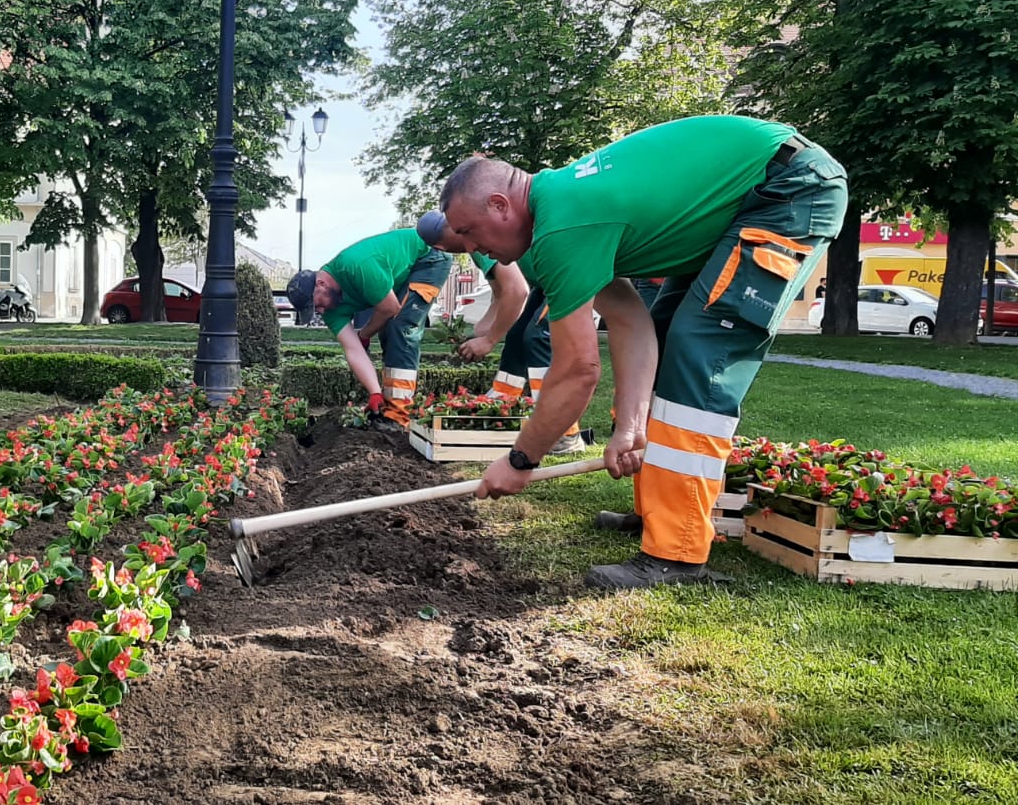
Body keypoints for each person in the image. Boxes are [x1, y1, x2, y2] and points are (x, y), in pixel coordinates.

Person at [439, 115, 847, 589]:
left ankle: (677, 553)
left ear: (499, 205)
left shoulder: (563, 227)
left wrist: (520, 462)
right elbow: (630, 323)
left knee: (700, 349)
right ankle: (658, 510)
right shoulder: (553, 218)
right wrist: (630, 427)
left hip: (787, 189)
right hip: (744, 198)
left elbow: (577, 370)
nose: (469, 247)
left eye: (468, 232)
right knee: (669, 330)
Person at [415, 213, 587, 452]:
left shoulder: (474, 241)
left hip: (567, 273)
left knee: (537, 339)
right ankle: (504, 401)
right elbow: (501, 294)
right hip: (547, 278)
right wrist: (485, 331)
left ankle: (563, 433)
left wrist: (489, 339)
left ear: (440, 245)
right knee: (517, 337)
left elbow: (516, 291)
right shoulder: (475, 236)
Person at [284, 228, 455, 428]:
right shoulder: (330, 309)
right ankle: (388, 407)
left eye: (317, 305)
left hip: (429, 256)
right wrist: (374, 392)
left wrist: (365, 333)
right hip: (400, 275)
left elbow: (391, 307)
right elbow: (353, 348)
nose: (320, 311)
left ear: (321, 283)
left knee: (400, 326)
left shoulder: (357, 267)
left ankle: (399, 416)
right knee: (388, 328)